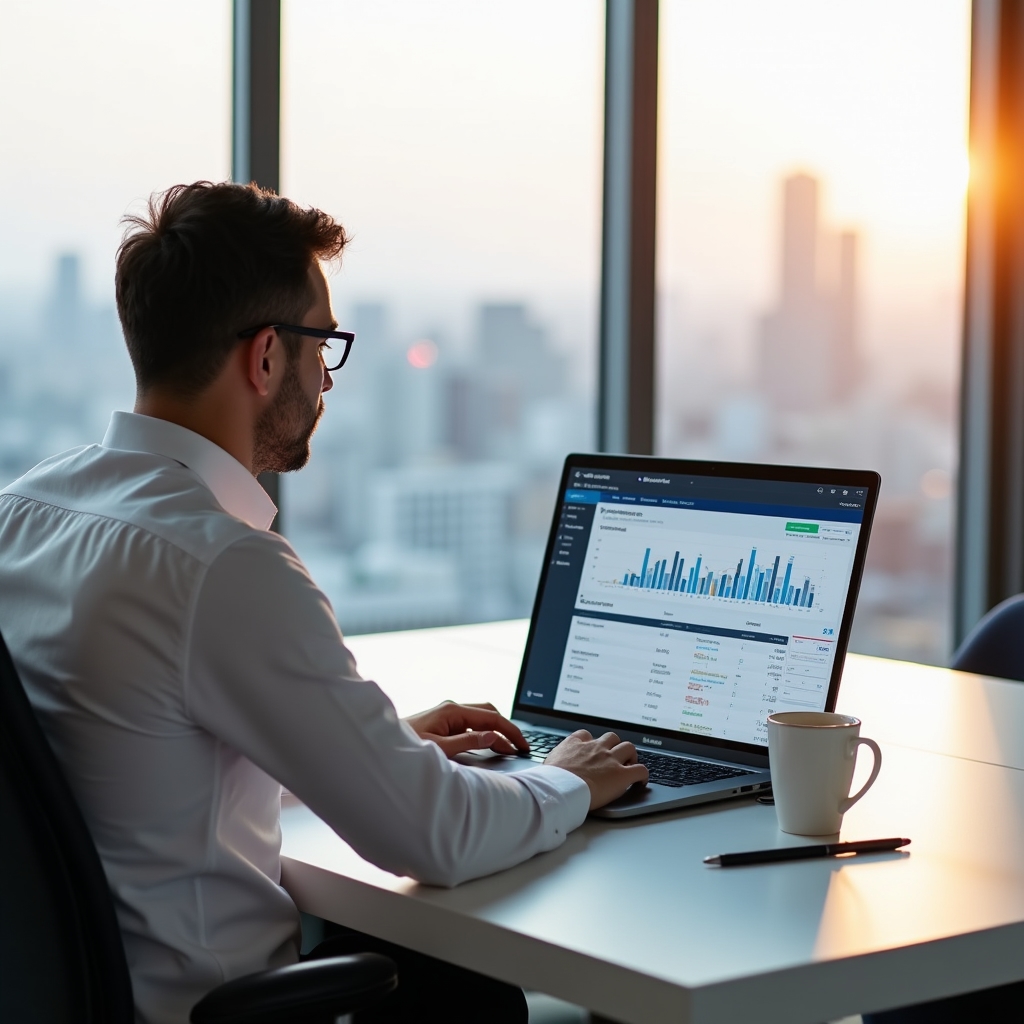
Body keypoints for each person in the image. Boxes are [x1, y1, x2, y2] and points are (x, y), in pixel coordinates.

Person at [0, 181, 648, 1024]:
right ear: (267, 357)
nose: (326, 382)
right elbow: (434, 838)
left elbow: (132, 759)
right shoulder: (222, 564)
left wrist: (378, 750)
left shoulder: (24, 511)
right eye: (323, 345)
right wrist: (565, 782)